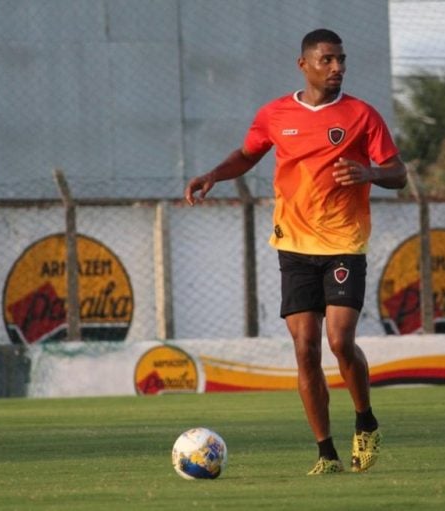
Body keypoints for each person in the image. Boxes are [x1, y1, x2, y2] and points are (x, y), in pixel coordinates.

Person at [184, 28, 407, 475]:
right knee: (305, 350)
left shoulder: (363, 115)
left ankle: (365, 420)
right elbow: (248, 155)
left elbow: (398, 173)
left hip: (344, 242)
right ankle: (326, 454)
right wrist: (213, 174)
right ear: (303, 64)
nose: (337, 67)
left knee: (339, 341)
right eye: (327, 60)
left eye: (341, 59)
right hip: (293, 246)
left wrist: (368, 173)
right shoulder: (275, 114)